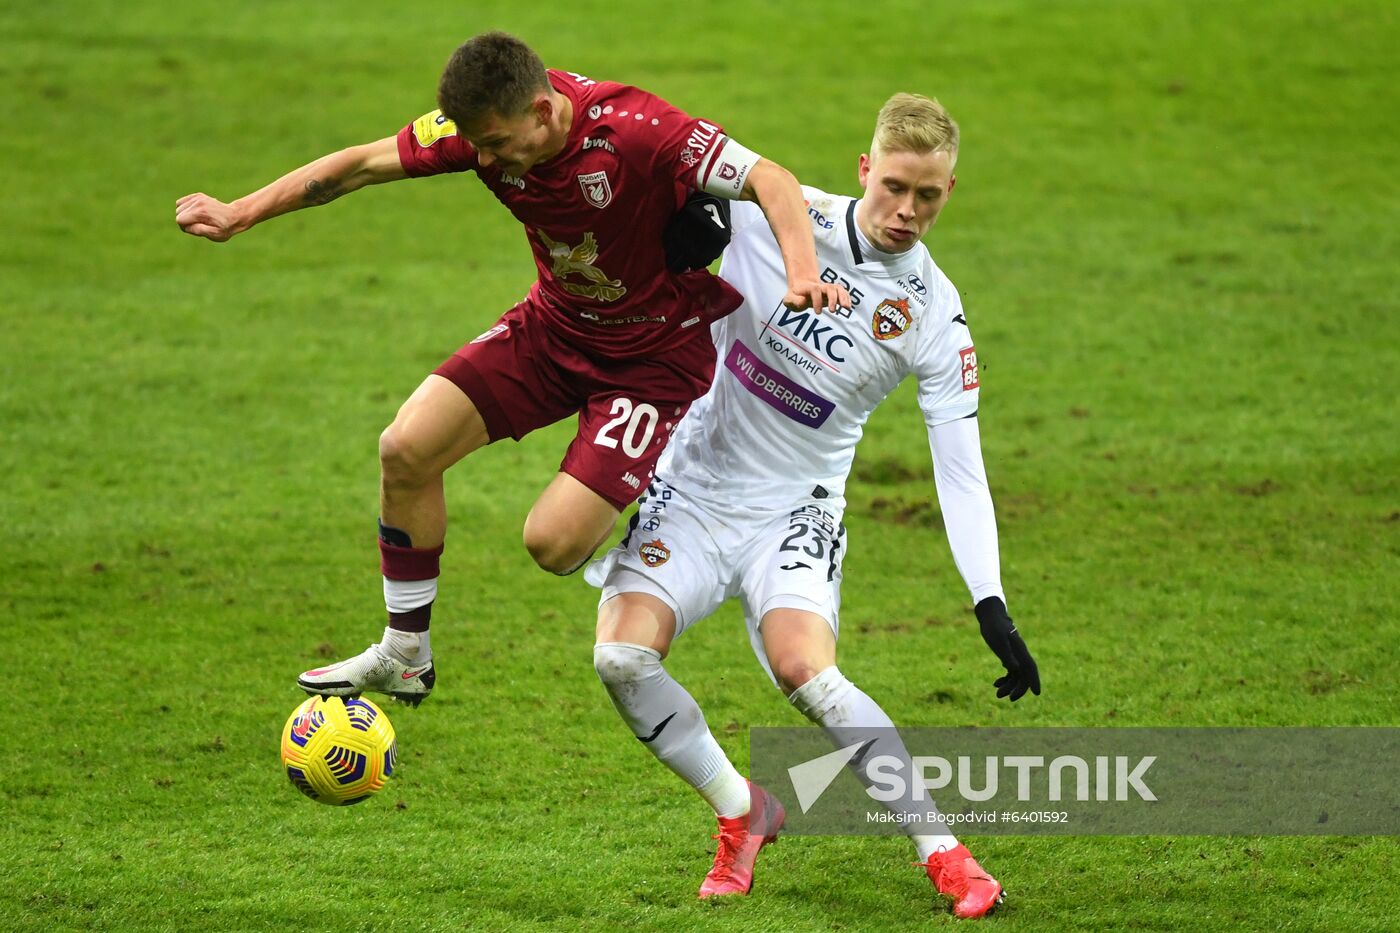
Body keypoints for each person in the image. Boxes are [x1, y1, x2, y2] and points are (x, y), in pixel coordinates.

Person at [175, 32, 847, 705]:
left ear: (543, 111)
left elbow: (770, 179)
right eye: (477, 145)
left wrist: (801, 272)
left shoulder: (638, 130)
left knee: (553, 544)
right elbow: (356, 166)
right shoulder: (476, 130)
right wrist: (241, 212)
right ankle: (406, 651)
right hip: (552, 330)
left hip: (650, 362)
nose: (485, 159)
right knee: (405, 449)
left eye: (496, 144)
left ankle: (666, 500)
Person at [585, 93, 1039, 918]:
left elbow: (960, 466)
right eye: (895, 186)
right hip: (689, 487)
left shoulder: (935, 314)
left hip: (797, 508)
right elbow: (651, 196)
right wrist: (676, 238)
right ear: (866, 168)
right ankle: (740, 810)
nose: (907, 212)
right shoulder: (778, 218)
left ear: (950, 191)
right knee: (620, 659)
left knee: (807, 671)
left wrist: (990, 598)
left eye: (928, 196)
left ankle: (947, 855)